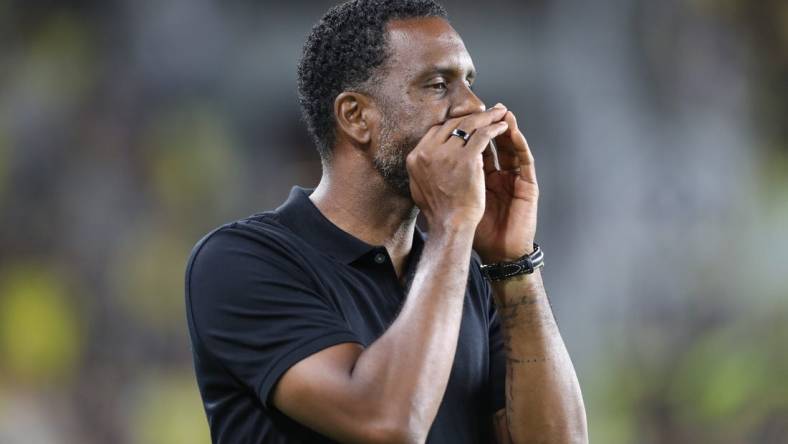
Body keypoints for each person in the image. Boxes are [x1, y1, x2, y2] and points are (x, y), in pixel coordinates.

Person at [185, 0, 588, 442]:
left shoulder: (466, 277)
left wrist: (514, 266)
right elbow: (388, 423)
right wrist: (452, 226)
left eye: (469, 82)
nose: (472, 106)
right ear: (356, 117)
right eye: (438, 85)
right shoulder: (243, 262)